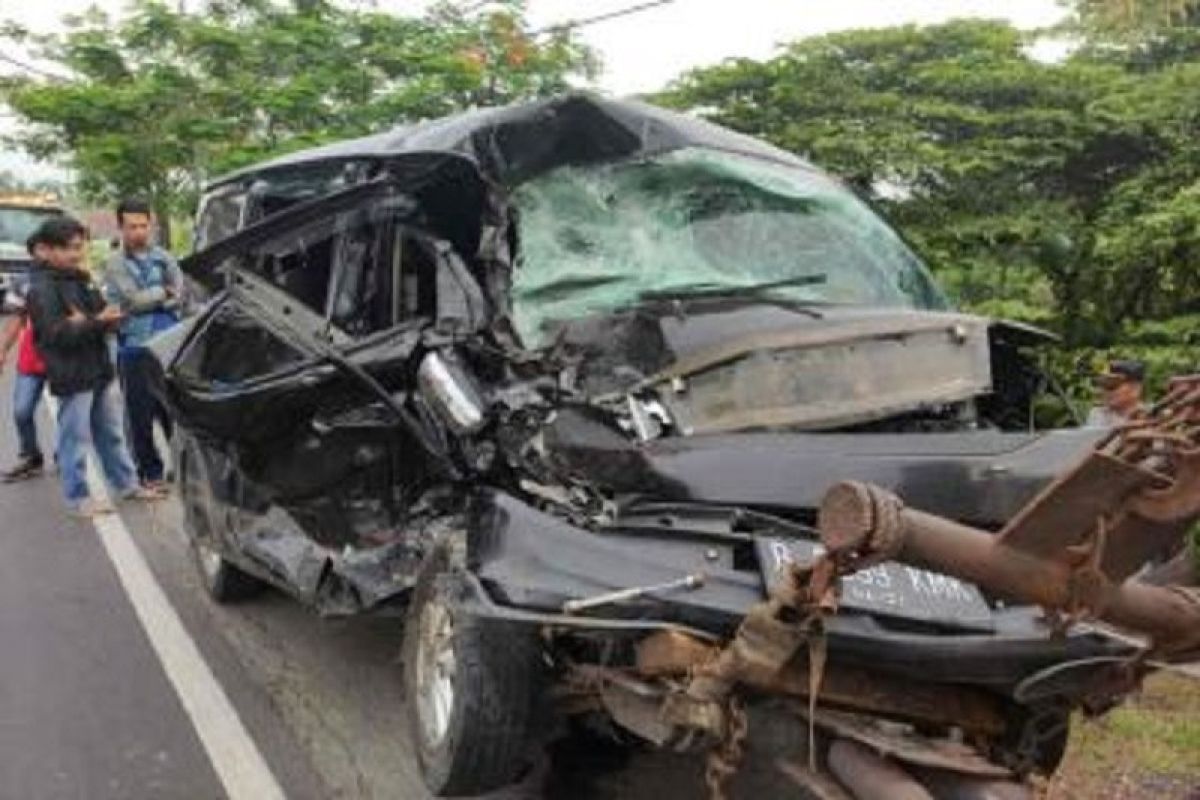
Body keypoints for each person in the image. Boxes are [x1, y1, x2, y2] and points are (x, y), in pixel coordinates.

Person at [25, 215, 158, 517]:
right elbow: (54, 335)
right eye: (69, 248)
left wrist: (107, 319)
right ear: (47, 250)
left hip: (97, 366)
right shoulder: (42, 289)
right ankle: (78, 498)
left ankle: (126, 484)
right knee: (75, 437)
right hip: (72, 373)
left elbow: (99, 314)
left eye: (79, 247)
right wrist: (96, 322)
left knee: (109, 432)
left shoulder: (80, 279)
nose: (76, 254)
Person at [104, 198, 183, 491]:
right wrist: (163, 291)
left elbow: (181, 293)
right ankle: (150, 473)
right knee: (140, 414)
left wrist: (158, 296)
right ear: (121, 227)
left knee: (174, 411)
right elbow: (131, 300)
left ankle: (183, 467)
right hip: (134, 346)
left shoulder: (165, 257)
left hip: (170, 344)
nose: (138, 232)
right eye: (131, 226)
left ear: (151, 225)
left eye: (143, 225)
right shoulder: (114, 263)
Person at [0, 238, 48, 482]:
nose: (46, 252)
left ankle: (68, 455)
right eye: (41, 247)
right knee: (21, 410)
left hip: (65, 357)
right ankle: (31, 456)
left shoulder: (74, 278)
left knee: (71, 414)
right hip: (32, 357)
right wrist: (3, 350)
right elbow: (15, 321)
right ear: (32, 251)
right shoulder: (22, 283)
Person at [1085, 359, 1147, 428]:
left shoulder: (1152, 415)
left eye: (1112, 385)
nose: (1105, 391)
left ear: (1135, 388)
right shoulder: (1098, 414)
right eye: (1103, 384)